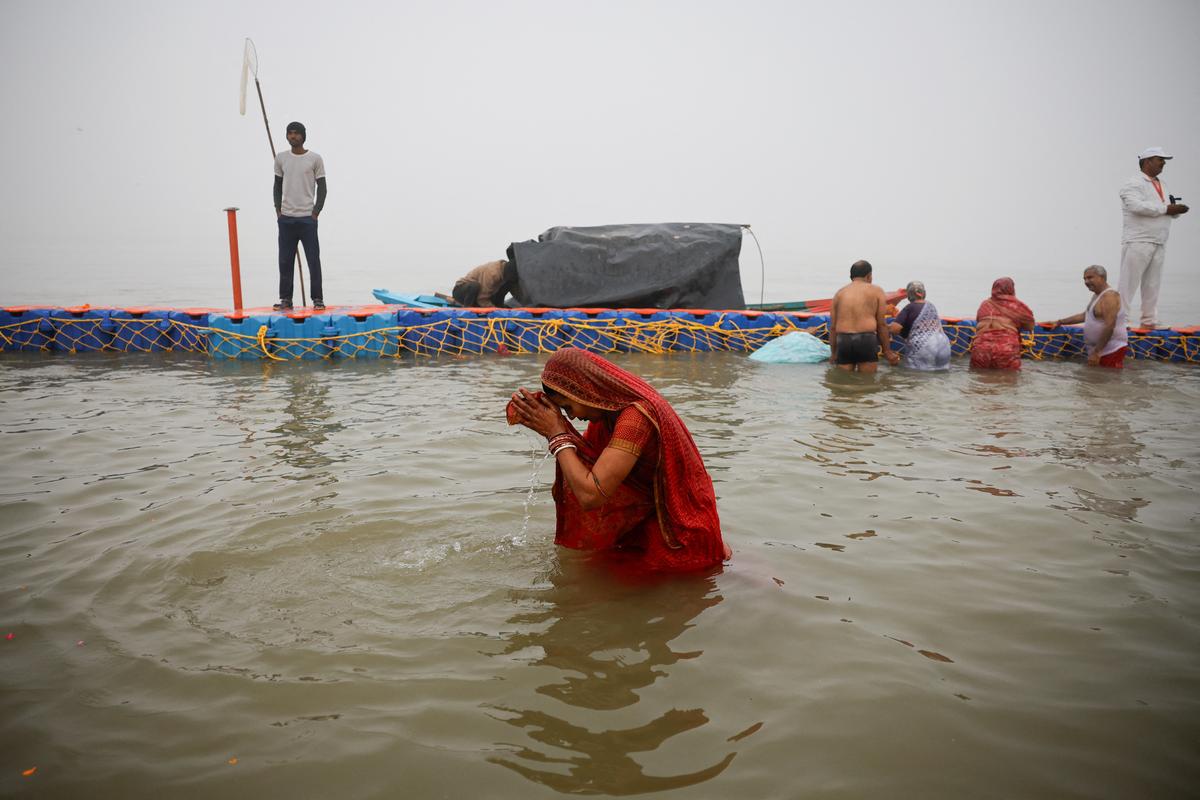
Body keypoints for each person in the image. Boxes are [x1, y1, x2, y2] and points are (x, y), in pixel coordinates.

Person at [506, 348, 730, 572]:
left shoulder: (636, 418)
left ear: (585, 389)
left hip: (677, 537)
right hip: (643, 529)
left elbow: (590, 494)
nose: (572, 416)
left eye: (568, 407)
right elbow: (585, 467)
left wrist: (557, 433)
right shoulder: (607, 416)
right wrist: (559, 429)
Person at [1118, 146, 1189, 328]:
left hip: (1159, 240)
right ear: (1147, 161)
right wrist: (1167, 209)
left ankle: (1149, 321)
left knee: (1152, 285)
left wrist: (1175, 210)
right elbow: (1136, 206)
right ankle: (1121, 320)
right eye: (1160, 159)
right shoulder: (1133, 183)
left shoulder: (1162, 184)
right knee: (1128, 284)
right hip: (1138, 240)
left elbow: (1164, 208)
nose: (1163, 163)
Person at [274, 121, 327, 311]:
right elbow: (277, 186)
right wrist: (278, 209)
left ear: (303, 136)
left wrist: (316, 211)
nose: (293, 137)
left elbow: (323, 187)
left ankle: (317, 298)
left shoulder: (315, 159)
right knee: (285, 260)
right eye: (290, 133)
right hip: (286, 217)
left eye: (296, 133)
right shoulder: (281, 158)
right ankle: (286, 299)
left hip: (307, 219)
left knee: (313, 259)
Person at [1049, 265, 1128, 368]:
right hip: (1099, 350)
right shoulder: (1097, 295)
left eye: (1090, 277)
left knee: (1109, 381)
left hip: (1110, 349)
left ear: (1102, 277)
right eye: (1085, 279)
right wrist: (1060, 322)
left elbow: (1110, 326)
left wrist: (1097, 352)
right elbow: (1086, 315)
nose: (1086, 281)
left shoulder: (1109, 296)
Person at [828, 260, 900, 372]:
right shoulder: (877, 291)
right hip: (865, 340)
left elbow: (833, 327)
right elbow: (881, 324)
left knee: (843, 384)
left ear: (851, 277)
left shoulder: (839, 293)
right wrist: (887, 351)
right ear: (869, 276)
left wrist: (833, 354)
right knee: (867, 383)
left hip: (844, 341)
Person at [970, 277, 1034, 370]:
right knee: (1008, 380)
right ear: (1011, 289)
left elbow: (979, 321)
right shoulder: (1017, 306)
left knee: (979, 379)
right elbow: (1030, 326)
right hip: (1006, 349)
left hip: (981, 349)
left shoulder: (985, 304)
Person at [888, 281, 951, 371]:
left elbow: (895, 329)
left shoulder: (910, 307)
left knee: (915, 375)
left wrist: (884, 327)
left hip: (924, 348)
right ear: (924, 293)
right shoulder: (931, 306)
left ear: (909, 295)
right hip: (943, 347)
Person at [451, 259, 517, 307]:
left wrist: (501, 309)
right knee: (474, 286)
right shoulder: (492, 273)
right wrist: (494, 310)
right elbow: (482, 298)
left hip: (478, 296)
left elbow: (499, 296)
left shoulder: (504, 274)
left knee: (505, 288)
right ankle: (467, 311)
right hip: (461, 291)